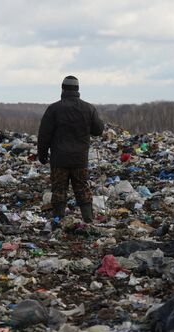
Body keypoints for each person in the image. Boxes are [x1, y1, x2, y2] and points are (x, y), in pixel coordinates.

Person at [37, 76, 104, 223]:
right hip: (79, 159)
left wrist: (42, 154)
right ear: (77, 89)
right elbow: (98, 130)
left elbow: (44, 134)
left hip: (59, 159)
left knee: (59, 189)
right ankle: (88, 219)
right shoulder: (89, 108)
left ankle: (58, 219)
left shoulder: (54, 109)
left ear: (63, 89)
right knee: (82, 188)